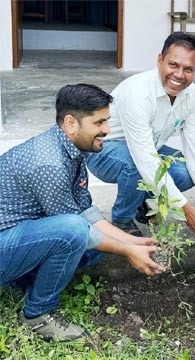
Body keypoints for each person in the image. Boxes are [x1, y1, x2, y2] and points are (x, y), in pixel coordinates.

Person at [0, 84, 165, 342]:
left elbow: (85, 209)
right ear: (71, 123)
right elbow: (78, 229)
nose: (107, 130)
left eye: (107, 121)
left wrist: (132, 240)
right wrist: (127, 251)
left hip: (17, 235)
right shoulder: (49, 163)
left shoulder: (70, 150)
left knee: (97, 241)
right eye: (99, 122)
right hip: (4, 243)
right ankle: (37, 314)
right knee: (75, 233)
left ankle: (26, 279)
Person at [86, 32, 195, 242]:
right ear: (160, 60)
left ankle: (139, 199)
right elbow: (145, 159)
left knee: (185, 173)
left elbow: (194, 145)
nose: (179, 75)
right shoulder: (137, 92)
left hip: (148, 148)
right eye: (173, 65)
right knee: (136, 166)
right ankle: (122, 219)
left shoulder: (192, 96)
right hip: (104, 150)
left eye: (188, 69)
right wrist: (186, 208)